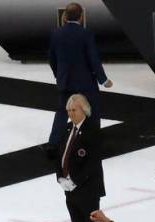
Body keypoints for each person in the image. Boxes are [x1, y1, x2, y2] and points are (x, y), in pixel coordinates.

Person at [47, 2, 111, 150]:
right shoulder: (86, 34)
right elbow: (93, 59)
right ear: (81, 16)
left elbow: (52, 59)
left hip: (66, 81)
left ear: (65, 15)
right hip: (86, 82)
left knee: (63, 112)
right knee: (92, 111)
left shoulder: (56, 33)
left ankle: (53, 144)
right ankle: (93, 141)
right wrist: (103, 80)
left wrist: (59, 76)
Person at [54, 94, 104, 222]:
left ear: (84, 110)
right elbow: (60, 155)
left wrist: (75, 181)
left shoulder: (92, 130)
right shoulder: (68, 128)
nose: (70, 113)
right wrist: (60, 177)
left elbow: (93, 163)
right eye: (68, 110)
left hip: (87, 190)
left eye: (74, 110)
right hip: (69, 190)